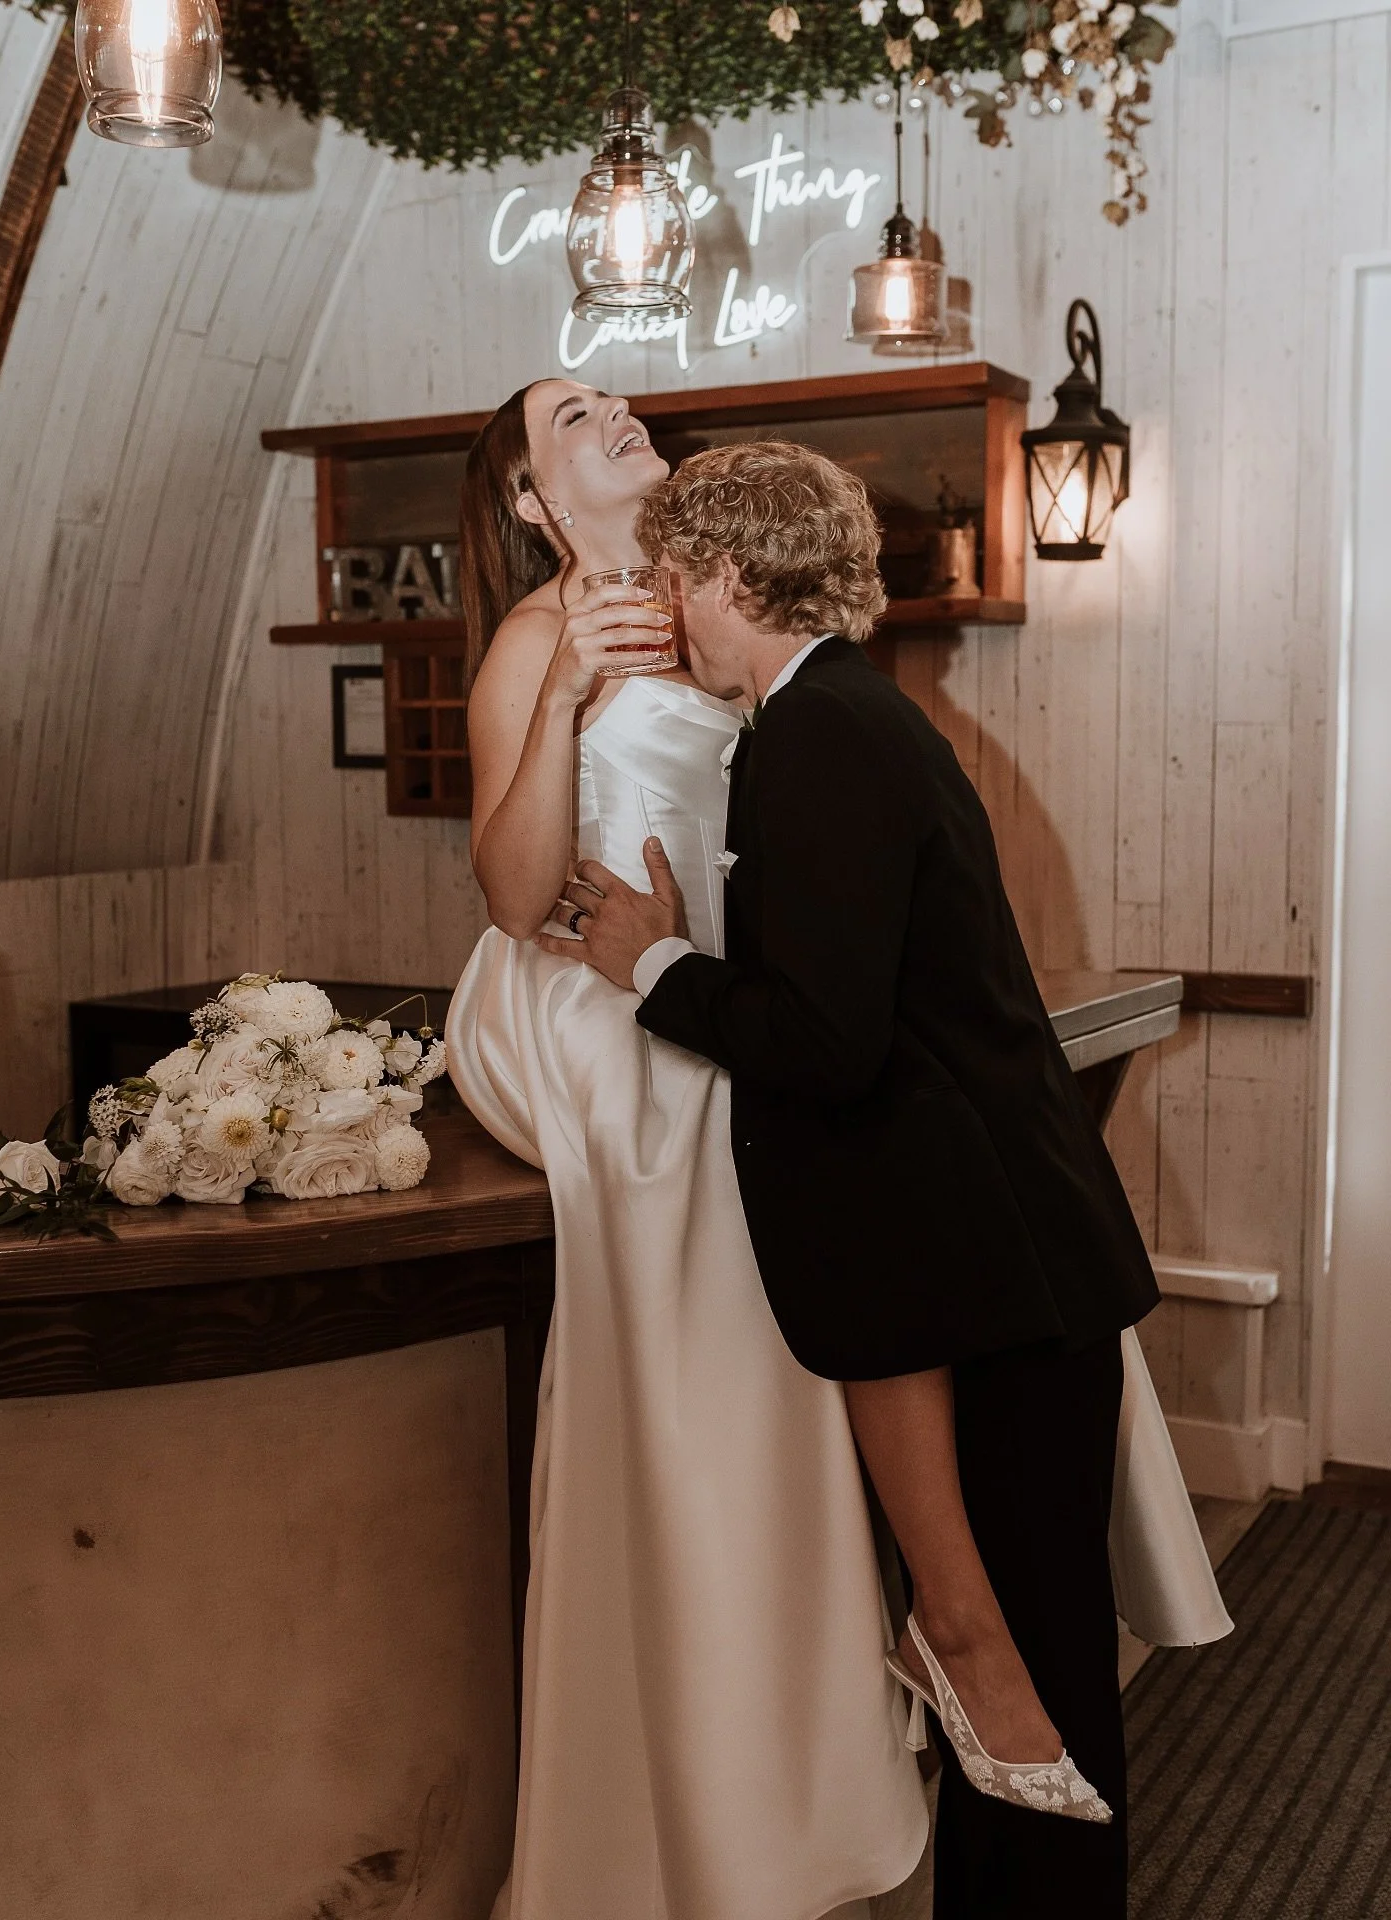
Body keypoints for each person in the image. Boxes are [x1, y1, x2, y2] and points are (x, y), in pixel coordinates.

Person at [537, 437, 1231, 1920]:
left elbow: (827, 1045)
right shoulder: (842, 717)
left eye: (674, 576)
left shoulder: (817, 737)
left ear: (729, 574)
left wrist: (644, 962)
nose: (665, 603)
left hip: (993, 1279)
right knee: (1013, 1672)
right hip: (988, 1264)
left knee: (1033, 1673)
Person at [445, 380, 928, 1920]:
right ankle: (670, 1789)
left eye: (617, 398)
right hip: (579, 995)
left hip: (712, 989)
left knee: (800, 1264)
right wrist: (570, 698)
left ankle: (789, 1753)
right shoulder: (541, 632)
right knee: (683, 1203)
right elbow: (516, 898)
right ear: (534, 502)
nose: (616, 413)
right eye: (574, 416)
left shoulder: (719, 599)